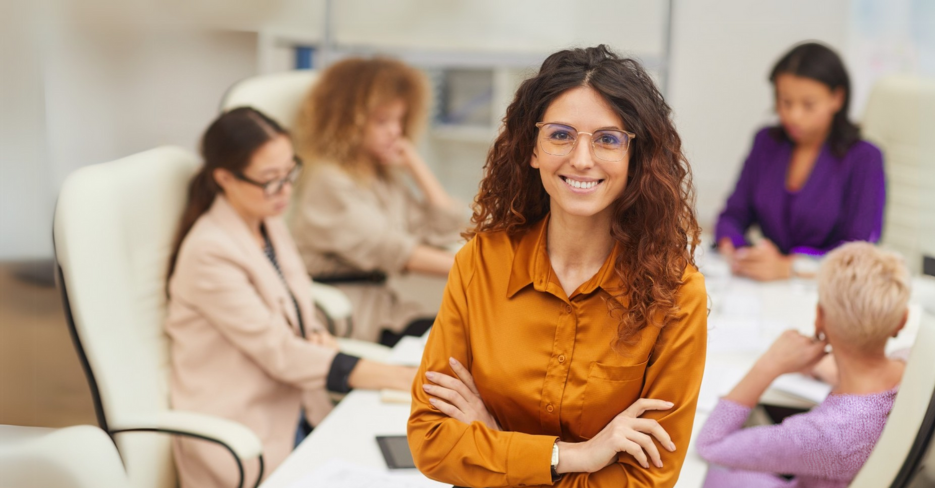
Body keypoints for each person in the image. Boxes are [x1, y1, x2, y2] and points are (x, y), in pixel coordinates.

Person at [407, 45, 708, 487]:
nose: (581, 159)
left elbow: (645, 481)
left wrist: (494, 443)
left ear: (634, 159)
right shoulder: (481, 263)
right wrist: (577, 456)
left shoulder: (677, 293)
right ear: (532, 149)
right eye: (561, 134)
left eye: (607, 139)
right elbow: (431, 440)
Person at [164, 107, 416, 487]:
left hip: (296, 405)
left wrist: (316, 335)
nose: (285, 191)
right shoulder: (209, 252)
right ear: (225, 178)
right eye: (270, 180)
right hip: (248, 429)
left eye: (289, 173)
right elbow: (279, 351)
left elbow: (295, 304)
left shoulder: (266, 221)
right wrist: (398, 377)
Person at [696, 242, 911, 488]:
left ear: (819, 317)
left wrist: (769, 365)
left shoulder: (823, 434)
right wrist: (833, 368)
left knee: (708, 476)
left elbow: (710, 445)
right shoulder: (912, 364)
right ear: (902, 320)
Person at [290, 57, 466, 345]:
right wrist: (480, 268)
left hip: (387, 311)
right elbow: (394, 251)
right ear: (346, 120)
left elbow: (442, 229)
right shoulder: (328, 180)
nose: (396, 131)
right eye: (383, 121)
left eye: (400, 120)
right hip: (350, 319)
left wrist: (415, 165)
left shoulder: (380, 174)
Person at [715, 42, 885, 281]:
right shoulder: (766, 142)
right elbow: (733, 216)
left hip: (828, 291)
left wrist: (790, 267)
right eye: (785, 102)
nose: (794, 116)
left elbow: (859, 252)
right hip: (761, 286)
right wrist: (739, 250)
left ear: (837, 98)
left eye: (808, 105)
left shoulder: (864, 158)